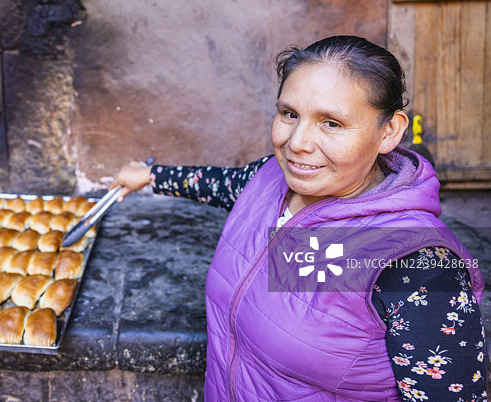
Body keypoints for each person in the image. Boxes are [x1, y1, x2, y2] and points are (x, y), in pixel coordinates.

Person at [112, 36, 487, 401]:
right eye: (289, 114)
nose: (297, 143)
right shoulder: (267, 181)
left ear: (389, 131)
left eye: (332, 123)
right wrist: (150, 176)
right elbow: (220, 183)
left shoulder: (417, 265)